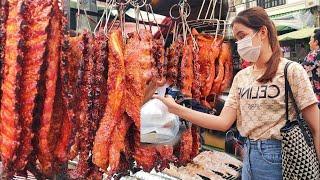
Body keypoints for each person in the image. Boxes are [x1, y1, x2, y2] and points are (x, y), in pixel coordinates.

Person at [149, 7, 319, 180]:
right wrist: (176, 109)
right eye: (237, 38)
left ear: (262, 32)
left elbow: (317, 127)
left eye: (242, 36)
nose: (239, 43)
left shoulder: (291, 71)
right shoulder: (242, 77)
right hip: (249, 155)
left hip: (281, 156)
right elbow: (223, 122)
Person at [302, 28, 320, 106]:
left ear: (316, 42)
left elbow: (301, 69)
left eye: (310, 40)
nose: (309, 43)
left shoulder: (314, 55)